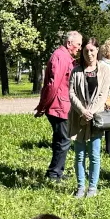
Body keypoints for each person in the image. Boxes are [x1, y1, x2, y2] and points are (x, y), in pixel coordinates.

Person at [34, 31, 83, 182]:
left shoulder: (65, 56)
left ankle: (57, 171)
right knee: (63, 141)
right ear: (69, 44)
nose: (79, 48)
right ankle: (54, 174)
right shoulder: (61, 57)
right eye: (78, 45)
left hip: (61, 105)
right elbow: (53, 86)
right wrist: (43, 105)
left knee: (61, 140)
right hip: (58, 106)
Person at [69, 37, 110, 198]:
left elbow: (103, 93)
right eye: (86, 51)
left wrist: (90, 112)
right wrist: (82, 111)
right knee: (79, 155)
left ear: (97, 50)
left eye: (92, 50)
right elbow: (71, 93)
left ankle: (92, 187)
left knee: (94, 155)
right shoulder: (76, 70)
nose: (89, 54)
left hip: (96, 118)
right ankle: (81, 186)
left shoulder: (104, 70)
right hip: (79, 118)